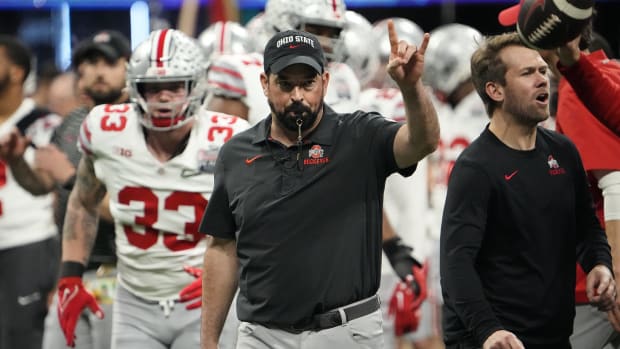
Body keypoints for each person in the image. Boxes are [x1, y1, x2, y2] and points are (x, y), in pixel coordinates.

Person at [199, 20, 440, 349]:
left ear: (324, 82)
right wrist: (209, 341)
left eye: (307, 83)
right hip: (261, 336)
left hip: (346, 330)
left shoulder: (359, 135)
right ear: (264, 84)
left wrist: (412, 88)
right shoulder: (235, 154)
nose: (297, 95)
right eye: (285, 83)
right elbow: (222, 248)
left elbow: (422, 142)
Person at [55, 28, 248, 349]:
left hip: (204, 299)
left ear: (196, 86)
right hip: (134, 300)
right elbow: (83, 202)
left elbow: (260, 218)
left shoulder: (228, 137)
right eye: (152, 88)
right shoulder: (105, 130)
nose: (163, 98)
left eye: (174, 87)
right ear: (135, 89)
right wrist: (70, 274)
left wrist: (234, 273)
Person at [440, 31, 616, 349]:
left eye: (541, 70)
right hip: (495, 340)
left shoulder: (564, 152)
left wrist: (599, 264)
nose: (542, 79)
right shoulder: (475, 168)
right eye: (527, 73)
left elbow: (586, 228)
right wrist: (488, 330)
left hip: (554, 336)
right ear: (495, 90)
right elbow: (456, 264)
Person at [38, 29, 132, 349]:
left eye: (107, 61)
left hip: (119, 273)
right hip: (75, 271)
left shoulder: (138, 125)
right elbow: (45, 190)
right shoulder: (74, 120)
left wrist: (67, 177)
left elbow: (131, 209)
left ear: (129, 66)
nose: (97, 71)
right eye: (88, 63)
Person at [0, 34, 62, 349]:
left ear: (16, 72)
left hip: (27, 242)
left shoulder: (43, 124)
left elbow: (52, 187)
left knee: (24, 339)